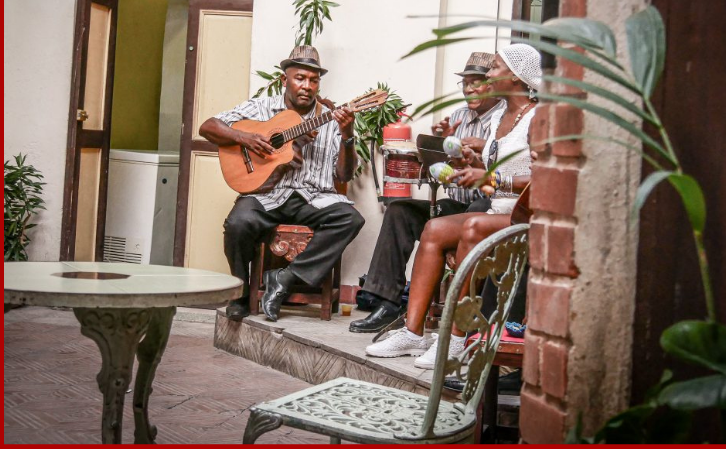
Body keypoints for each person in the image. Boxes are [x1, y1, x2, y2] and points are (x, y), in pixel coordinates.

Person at [365, 43, 542, 368]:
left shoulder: (537, 118)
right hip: (497, 212)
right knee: (433, 228)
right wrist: (470, 161)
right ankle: (412, 332)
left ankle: (456, 339)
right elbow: (492, 166)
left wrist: (491, 178)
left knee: (473, 226)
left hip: (526, 216)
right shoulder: (500, 116)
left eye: (496, 67)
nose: (489, 74)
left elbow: (542, 178)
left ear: (516, 77)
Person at [199, 45, 365, 321]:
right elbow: (208, 127)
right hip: (268, 194)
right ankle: (239, 294)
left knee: (350, 219)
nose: (307, 86)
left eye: (313, 80)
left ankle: (286, 278)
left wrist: (347, 133)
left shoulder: (331, 116)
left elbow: (345, 175)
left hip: (314, 197)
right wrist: (246, 138)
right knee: (238, 223)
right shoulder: (262, 107)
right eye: (300, 78)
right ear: (284, 79)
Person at [348, 52, 505, 333]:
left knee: (475, 210)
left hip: (490, 206)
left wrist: (484, 148)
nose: (469, 89)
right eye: (465, 83)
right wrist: (437, 146)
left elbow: (508, 169)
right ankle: (386, 301)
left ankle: (461, 322)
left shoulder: (506, 119)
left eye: (476, 82)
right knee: (400, 211)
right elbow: (444, 169)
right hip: (457, 203)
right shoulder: (458, 115)